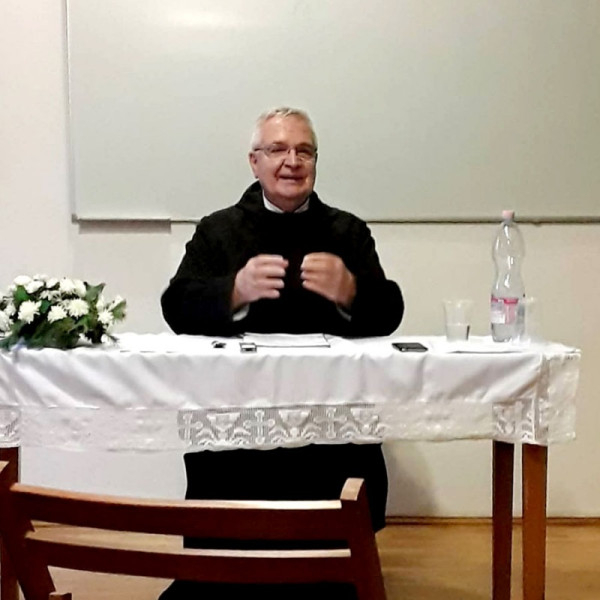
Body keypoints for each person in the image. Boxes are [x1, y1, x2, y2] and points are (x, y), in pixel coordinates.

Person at [159, 107, 404, 600]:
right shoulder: (217, 230)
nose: (292, 161)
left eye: (304, 151)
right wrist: (233, 291)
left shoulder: (347, 231)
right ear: (254, 162)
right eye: (277, 149)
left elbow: (390, 310)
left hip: (328, 427)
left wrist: (352, 291)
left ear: (315, 162)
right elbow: (176, 304)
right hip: (239, 426)